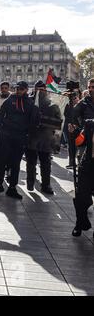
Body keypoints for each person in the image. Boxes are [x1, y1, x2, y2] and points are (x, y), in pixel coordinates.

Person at [0, 81, 38, 200]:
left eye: (21, 89)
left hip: (20, 137)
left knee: (15, 163)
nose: (18, 91)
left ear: (26, 90)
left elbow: (33, 121)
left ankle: (12, 188)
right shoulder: (9, 100)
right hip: (6, 135)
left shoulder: (30, 103)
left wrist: (28, 135)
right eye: (17, 89)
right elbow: (1, 115)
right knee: (2, 161)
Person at [26, 81, 63, 195]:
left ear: (46, 90)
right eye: (38, 89)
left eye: (42, 89)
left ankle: (46, 185)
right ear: (35, 89)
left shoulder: (53, 104)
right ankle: (30, 182)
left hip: (46, 138)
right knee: (31, 162)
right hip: (32, 136)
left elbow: (58, 121)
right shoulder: (29, 102)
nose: (40, 91)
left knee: (45, 163)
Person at [71, 78, 94, 237]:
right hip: (87, 151)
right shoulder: (83, 104)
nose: (93, 89)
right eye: (91, 87)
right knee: (81, 194)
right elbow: (72, 118)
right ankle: (80, 222)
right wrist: (76, 129)